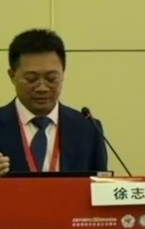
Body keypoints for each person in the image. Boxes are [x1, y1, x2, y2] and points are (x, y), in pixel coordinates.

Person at [0, 29, 109, 176]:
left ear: (63, 74)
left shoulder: (88, 129)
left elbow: (100, 186)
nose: (42, 88)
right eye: (31, 79)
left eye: (51, 78)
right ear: (12, 75)